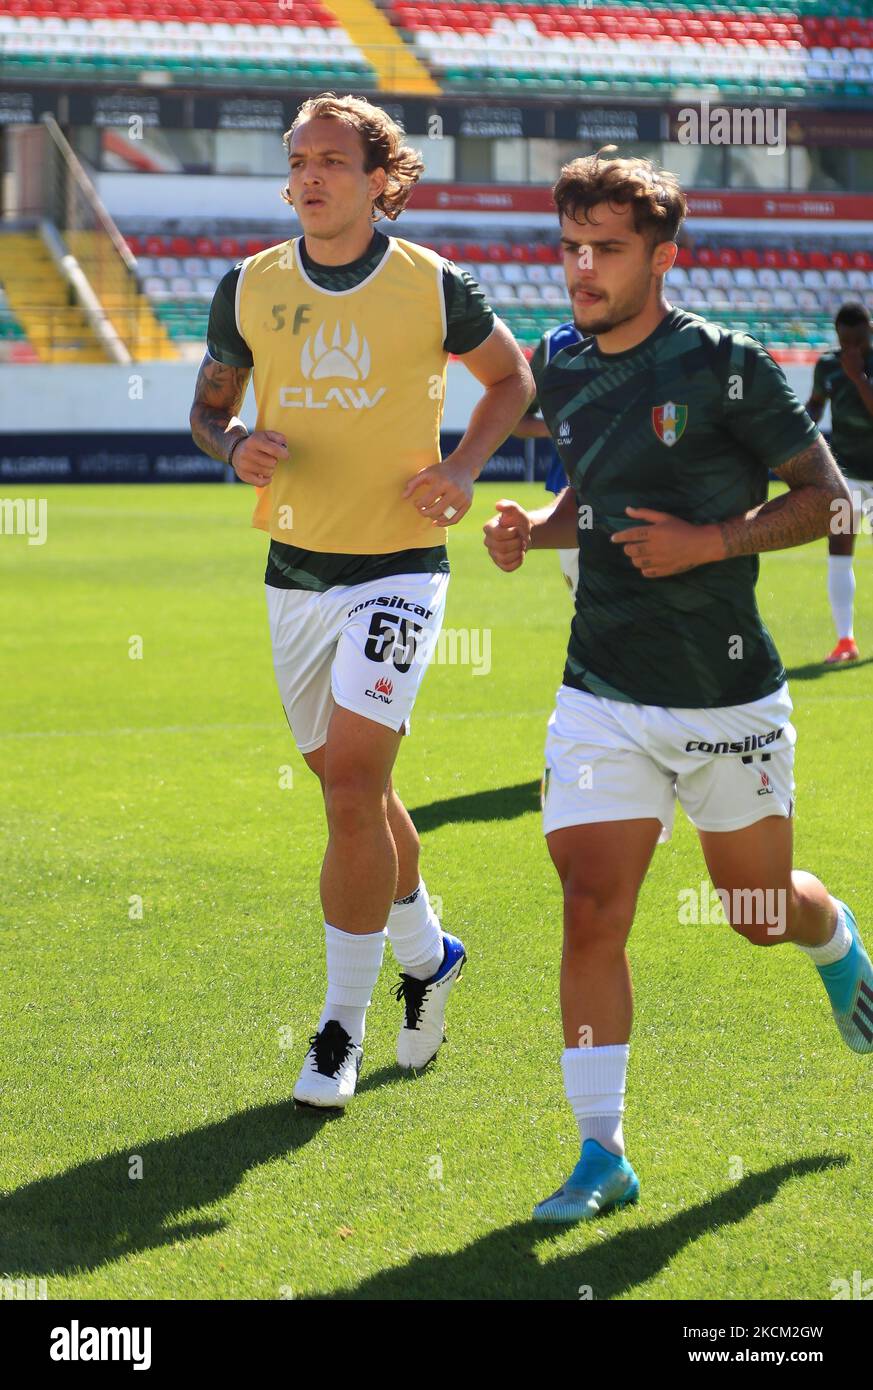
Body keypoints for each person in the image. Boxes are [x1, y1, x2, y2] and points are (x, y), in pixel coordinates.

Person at [483, 150, 871, 1224]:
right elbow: (594, 497)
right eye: (570, 247)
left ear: (662, 256)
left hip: (725, 696)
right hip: (600, 690)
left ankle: (834, 939)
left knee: (757, 913)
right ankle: (600, 1152)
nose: (582, 268)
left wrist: (710, 540)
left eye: (606, 249)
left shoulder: (726, 365)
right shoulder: (560, 363)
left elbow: (830, 501)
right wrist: (534, 529)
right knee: (590, 907)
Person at [190, 92, 534, 1109]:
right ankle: (429, 955)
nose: (309, 176)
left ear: (379, 179)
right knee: (356, 792)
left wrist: (463, 467)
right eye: (299, 159)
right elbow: (208, 408)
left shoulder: (432, 283)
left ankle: (338, 1028)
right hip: (294, 571)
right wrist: (231, 446)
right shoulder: (249, 284)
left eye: (333, 160)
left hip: (400, 566)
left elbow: (511, 379)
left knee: (349, 789)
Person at [806, 302, 873, 663]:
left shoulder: (859, 366)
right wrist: (804, 424)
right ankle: (845, 640)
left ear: (870, 332)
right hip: (845, 479)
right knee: (839, 553)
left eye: (859, 342)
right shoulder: (827, 365)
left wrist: (858, 377)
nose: (852, 349)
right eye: (846, 343)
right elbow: (816, 404)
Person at [511, 321, 584, 595]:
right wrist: (562, 428)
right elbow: (519, 421)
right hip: (572, 500)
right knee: (586, 604)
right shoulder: (555, 343)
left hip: (639, 495)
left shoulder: (654, 335)